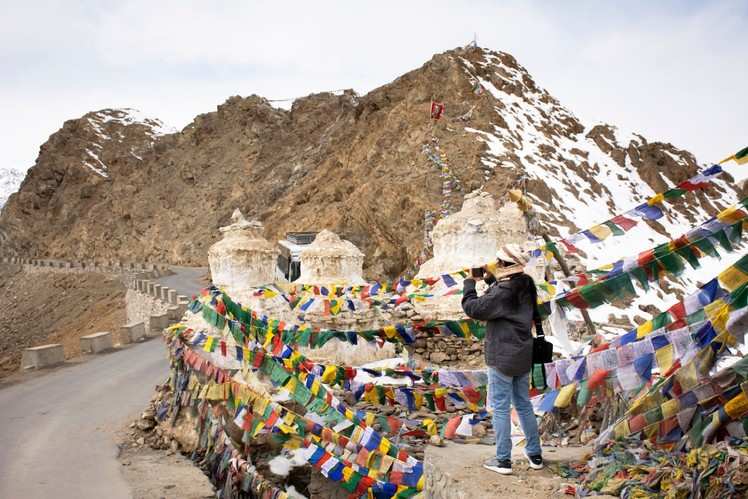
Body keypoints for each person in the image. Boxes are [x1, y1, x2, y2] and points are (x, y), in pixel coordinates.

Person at [461, 243, 543, 475]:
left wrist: (469, 284)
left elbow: (475, 308)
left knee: (500, 408)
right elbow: (505, 298)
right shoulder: (526, 284)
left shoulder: (503, 292)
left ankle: (503, 460)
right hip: (522, 353)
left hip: (501, 356)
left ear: (506, 266)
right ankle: (535, 454)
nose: (496, 265)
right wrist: (490, 281)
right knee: (524, 404)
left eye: (500, 263)